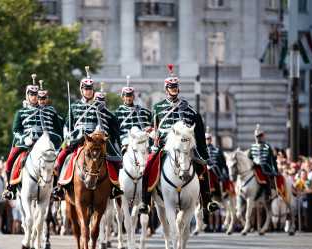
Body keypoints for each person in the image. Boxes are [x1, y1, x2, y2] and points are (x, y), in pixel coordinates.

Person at [139, 64, 218, 214]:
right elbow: (152, 128)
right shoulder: (158, 108)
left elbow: (199, 134)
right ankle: (145, 201)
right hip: (164, 145)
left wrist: (204, 154)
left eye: (175, 87)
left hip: (185, 147)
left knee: (202, 167)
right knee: (148, 166)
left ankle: (208, 201)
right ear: (166, 89)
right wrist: (152, 135)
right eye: (171, 87)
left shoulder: (189, 109)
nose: (174, 89)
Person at [54, 66, 122, 199]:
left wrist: (97, 132)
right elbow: (67, 125)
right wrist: (68, 135)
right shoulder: (74, 107)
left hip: (93, 140)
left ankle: (115, 186)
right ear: (81, 90)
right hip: (77, 138)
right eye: (86, 89)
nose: (88, 91)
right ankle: (60, 187)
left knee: (113, 158)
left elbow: (103, 122)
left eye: (90, 89)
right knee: (62, 157)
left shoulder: (98, 106)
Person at [114, 75, 152, 153]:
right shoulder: (117, 113)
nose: (128, 98)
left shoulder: (144, 111)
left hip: (142, 139)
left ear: (133, 96)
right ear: (122, 97)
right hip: (125, 140)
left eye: (130, 96)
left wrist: (149, 128)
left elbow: (152, 123)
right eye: (126, 96)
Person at [248, 124, 278, 200]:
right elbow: (249, 157)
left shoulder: (267, 146)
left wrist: (275, 169)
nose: (258, 138)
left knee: (266, 178)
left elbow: (272, 159)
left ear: (262, 136)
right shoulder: (252, 147)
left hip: (265, 167)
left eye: (259, 136)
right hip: (255, 167)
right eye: (257, 136)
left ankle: (268, 194)